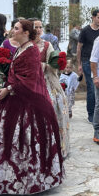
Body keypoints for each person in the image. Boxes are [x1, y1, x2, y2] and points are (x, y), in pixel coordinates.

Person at [0, 19, 65, 195]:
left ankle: (26, 179)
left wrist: (8, 89)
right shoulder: (21, 49)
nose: (13, 31)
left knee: (23, 138)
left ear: (26, 33)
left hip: (26, 99)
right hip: (13, 97)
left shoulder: (32, 51)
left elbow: (29, 79)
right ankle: (4, 177)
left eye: (16, 28)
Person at [32, 19, 70, 158]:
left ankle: (54, 146)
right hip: (30, 82)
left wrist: (42, 65)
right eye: (35, 27)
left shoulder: (47, 45)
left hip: (46, 80)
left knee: (53, 104)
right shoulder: (25, 45)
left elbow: (52, 65)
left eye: (40, 27)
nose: (38, 29)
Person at [77, 9, 99, 123]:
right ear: (93, 17)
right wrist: (79, 64)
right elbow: (79, 47)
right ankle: (91, 113)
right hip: (87, 62)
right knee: (91, 87)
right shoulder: (85, 30)